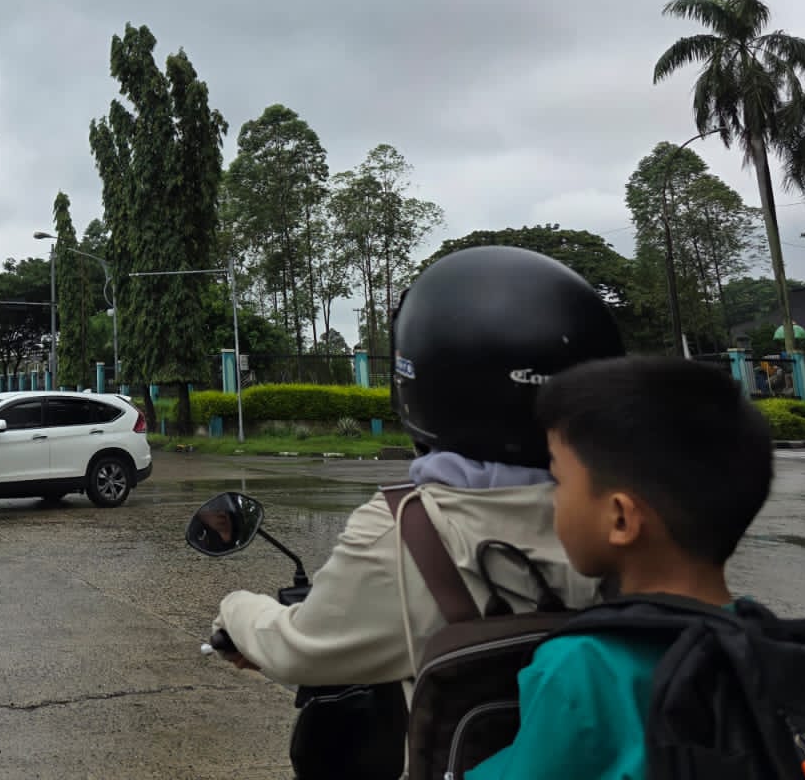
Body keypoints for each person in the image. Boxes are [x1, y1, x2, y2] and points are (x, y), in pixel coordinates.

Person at [210, 246, 627, 771]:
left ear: (420, 383)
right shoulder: (650, 513)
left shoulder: (409, 528)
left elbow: (299, 649)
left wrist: (235, 608)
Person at [464, 355, 774, 778]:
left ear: (621, 519)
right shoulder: (765, 644)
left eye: (559, 481)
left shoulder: (581, 667)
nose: (553, 499)